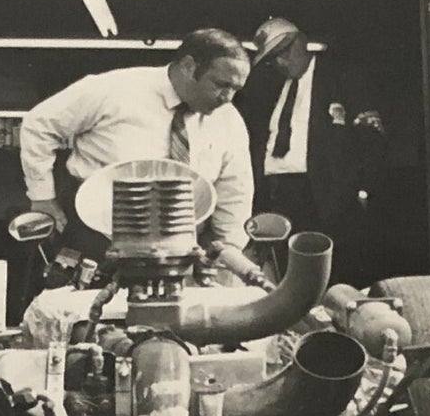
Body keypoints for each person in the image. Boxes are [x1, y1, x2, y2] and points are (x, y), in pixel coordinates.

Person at [18, 27, 254, 264]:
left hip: (177, 249)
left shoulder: (228, 120)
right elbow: (39, 124)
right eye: (221, 84)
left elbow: (235, 189)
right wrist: (42, 197)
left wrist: (229, 249)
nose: (227, 97)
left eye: (236, 89)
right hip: (95, 238)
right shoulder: (114, 88)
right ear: (189, 66)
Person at [237, 17, 388, 285]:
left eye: (284, 52)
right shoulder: (268, 90)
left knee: (329, 273)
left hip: (325, 195)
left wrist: (361, 189)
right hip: (277, 194)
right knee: (284, 273)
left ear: (302, 41)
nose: (281, 63)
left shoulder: (340, 79)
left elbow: (371, 140)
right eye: (273, 59)